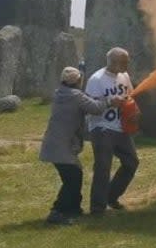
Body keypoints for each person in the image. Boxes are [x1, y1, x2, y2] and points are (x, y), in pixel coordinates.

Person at [39, 66, 126, 225]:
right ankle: (57, 212)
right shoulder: (75, 96)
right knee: (72, 179)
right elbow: (95, 108)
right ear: (78, 81)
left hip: (54, 143)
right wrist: (110, 101)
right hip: (62, 145)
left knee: (75, 175)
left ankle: (73, 208)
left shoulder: (61, 93)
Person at [84, 48, 138, 215]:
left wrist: (134, 110)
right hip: (102, 128)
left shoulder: (124, 76)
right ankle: (97, 209)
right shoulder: (96, 80)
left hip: (120, 127)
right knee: (103, 167)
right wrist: (108, 101)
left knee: (131, 162)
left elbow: (130, 95)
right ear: (113, 62)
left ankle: (111, 196)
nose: (128, 64)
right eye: (124, 61)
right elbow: (89, 107)